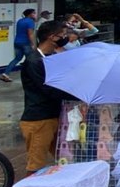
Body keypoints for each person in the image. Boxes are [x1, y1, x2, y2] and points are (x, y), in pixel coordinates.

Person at [19, 20, 78, 173]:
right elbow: (49, 90)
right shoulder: (33, 61)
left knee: (64, 159)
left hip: (54, 117)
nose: (65, 38)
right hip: (39, 119)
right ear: (52, 37)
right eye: (62, 35)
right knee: (36, 165)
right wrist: (76, 95)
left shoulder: (51, 57)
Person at [1, 8, 37, 82]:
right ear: (30, 14)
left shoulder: (20, 21)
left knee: (17, 58)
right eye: (34, 13)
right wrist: (33, 44)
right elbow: (30, 34)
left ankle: (6, 73)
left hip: (17, 42)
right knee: (30, 60)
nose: (35, 14)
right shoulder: (30, 22)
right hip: (26, 43)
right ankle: (31, 76)